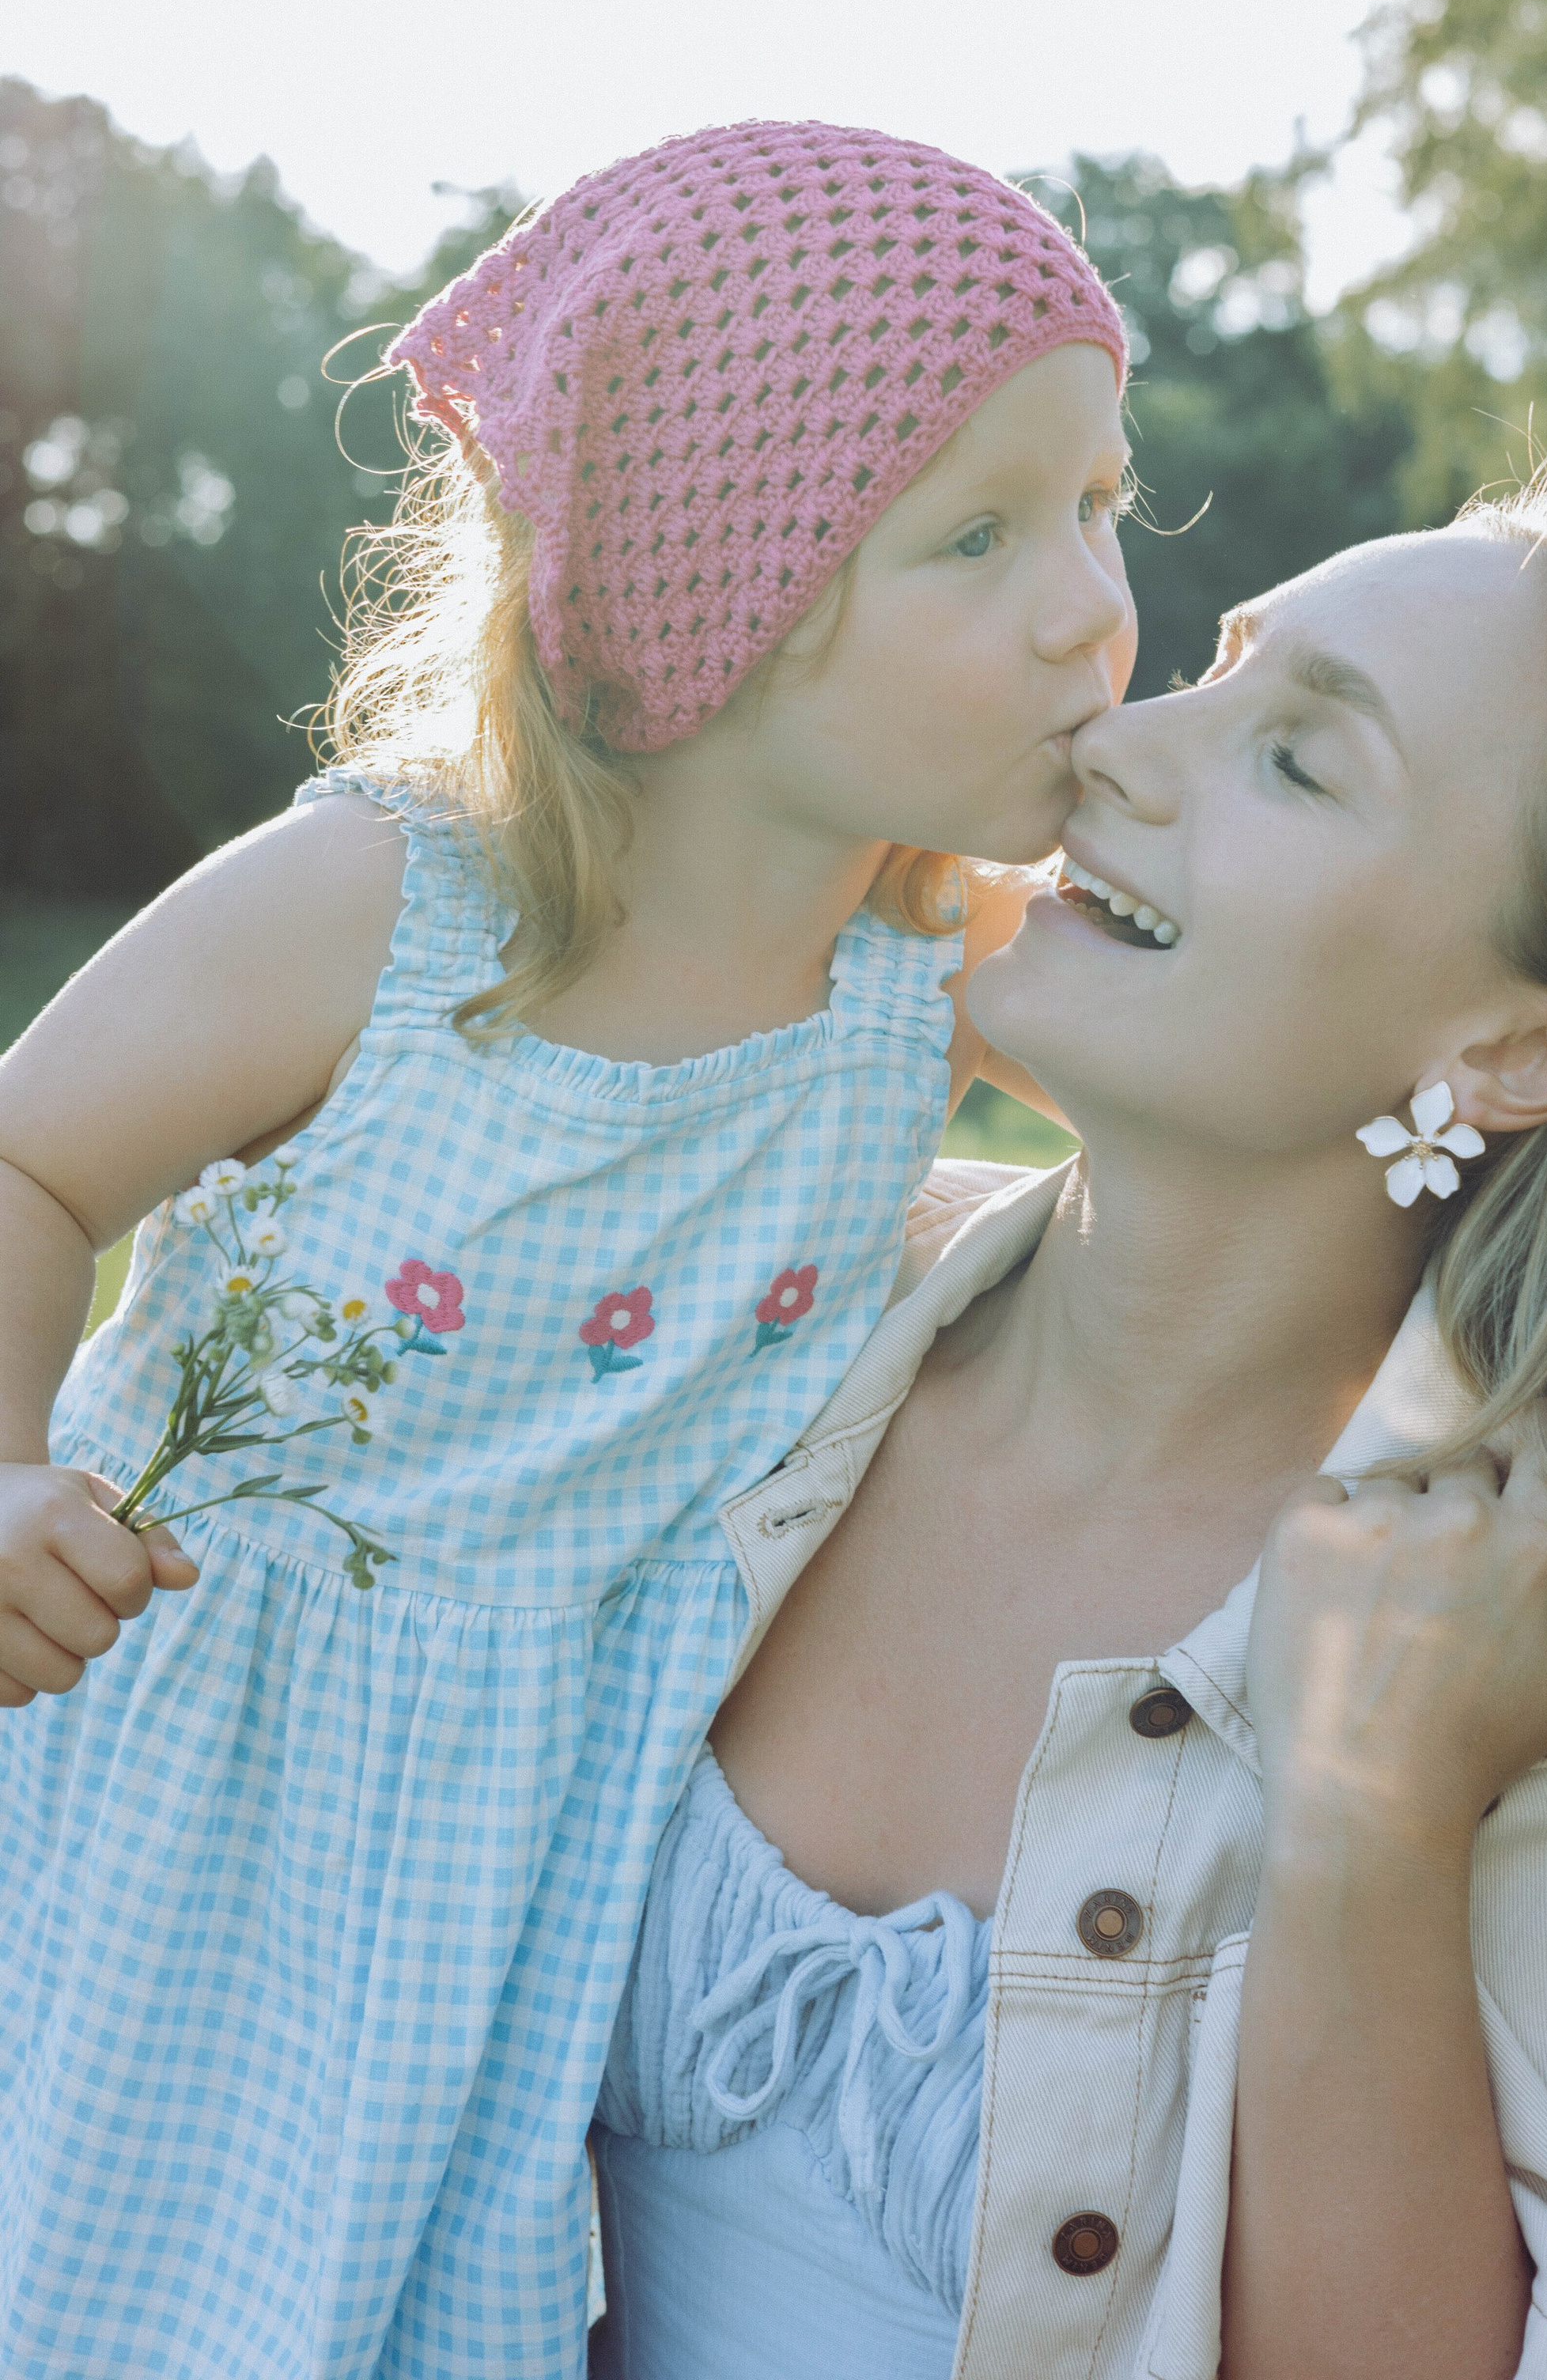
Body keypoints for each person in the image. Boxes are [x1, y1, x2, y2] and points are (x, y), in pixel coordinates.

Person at [0, 121, 1138, 2380]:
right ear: (707, 582)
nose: (1092, 602)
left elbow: (1257, 1091)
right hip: (176, 1771)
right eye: (980, 534)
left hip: (524, 1883)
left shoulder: (931, 985)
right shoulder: (388, 915)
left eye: (1104, 505)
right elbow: (25, 1163)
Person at [592, 478, 1547, 2380]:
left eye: (1295, 759)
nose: (1110, 737)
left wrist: (1372, 1822)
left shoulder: (1545, 1675)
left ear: (1511, 1055)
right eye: (1209, 668)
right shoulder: (749, 1312)